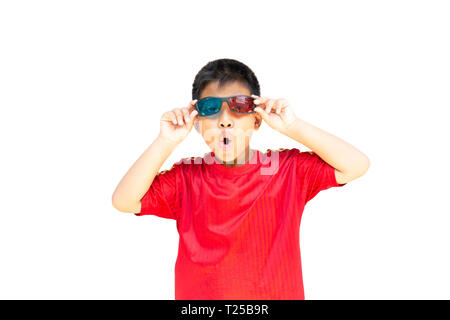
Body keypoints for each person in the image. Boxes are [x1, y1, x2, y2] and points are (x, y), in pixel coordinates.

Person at [111, 58, 370, 300]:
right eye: (211, 109)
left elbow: (355, 165)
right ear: (197, 122)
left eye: (239, 107)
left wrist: (292, 126)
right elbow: (124, 201)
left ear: (256, 119)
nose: (225, 121)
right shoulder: (186, 178)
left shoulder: (286, 169)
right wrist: (165, 141)